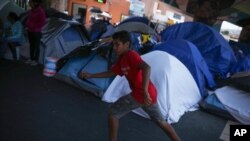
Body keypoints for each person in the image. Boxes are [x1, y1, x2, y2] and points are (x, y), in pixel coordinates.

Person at [79, 30, 181, 141]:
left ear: (127, 44)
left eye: (117, 44)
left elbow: (146, 67)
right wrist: (91, 75)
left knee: (113, 113)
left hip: (142, 94)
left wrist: (145, 90)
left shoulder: (131, 55)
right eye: (113, 44)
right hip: (149, 94)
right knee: (161, 121)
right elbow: (112, 72)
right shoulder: (122, 59)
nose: (114, 47)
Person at [25, 0, 46, 65]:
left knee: (37, 46)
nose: (30, 3)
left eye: (31, 2)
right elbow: (29, 19)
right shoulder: (31, 10)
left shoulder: (40, 11)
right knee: (31, 45)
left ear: (36, 2)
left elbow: (43, 22)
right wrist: (27, 24)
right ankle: (31, 58)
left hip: (36, 31)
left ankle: (36, 60)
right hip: (30, 30)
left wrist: (33, 26)